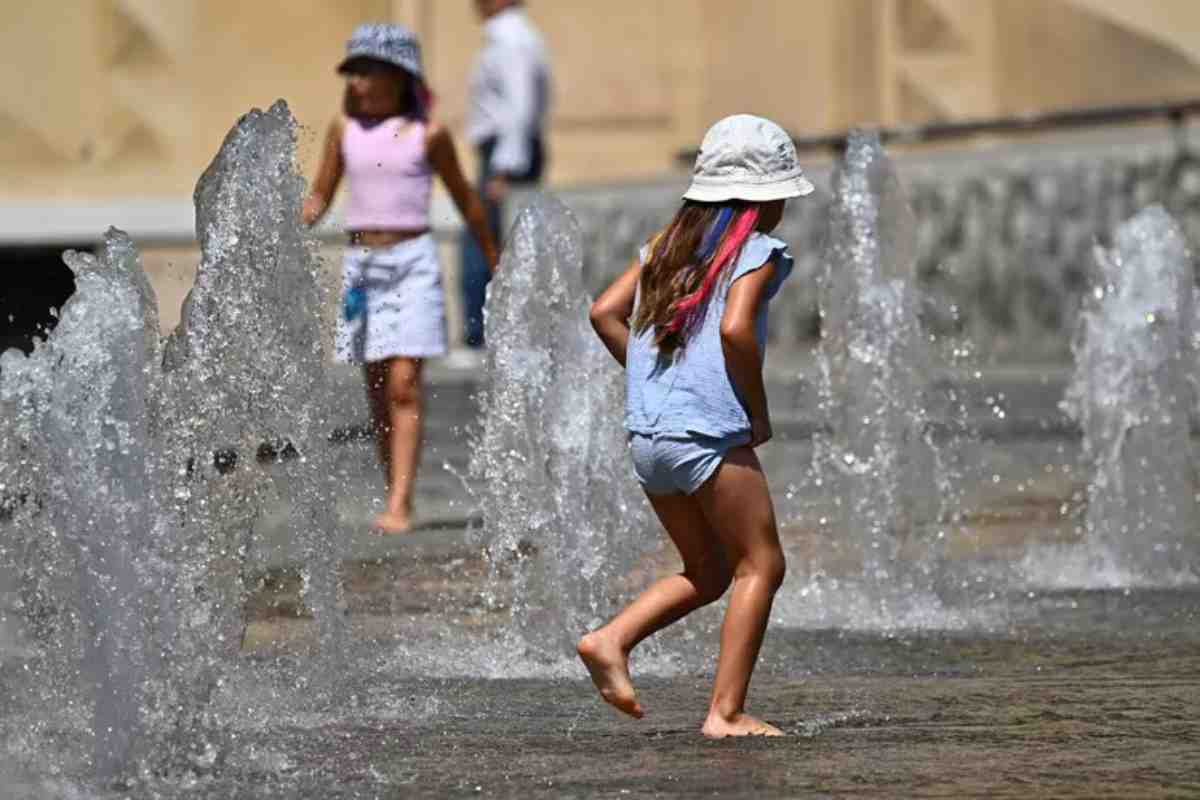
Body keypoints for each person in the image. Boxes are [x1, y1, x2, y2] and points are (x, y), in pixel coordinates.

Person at [578, 115, 815, 737]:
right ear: (765, 198)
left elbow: (604, 313)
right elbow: (737, 329)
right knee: (761, 565)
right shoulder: (757, 253)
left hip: (650, 439)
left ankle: (611, 640)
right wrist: (756, 409)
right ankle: (726, 713)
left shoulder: (664, 247)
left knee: (708, 571)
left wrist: (654, 379)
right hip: (707, 435)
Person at [303, 23, 499, 534]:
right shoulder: (342, 131)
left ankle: (400, 502)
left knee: (405, 384)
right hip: (362, 269)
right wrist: (287, 220)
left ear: (398, 76)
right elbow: (320, 196)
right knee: (375, 389)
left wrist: (494, 257)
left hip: (413, 262)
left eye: (367, 71)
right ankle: (394, 484)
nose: (356, 83)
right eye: (352, 72)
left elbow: (466, 199)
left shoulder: (427, 135)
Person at [461, 0, 551, 349]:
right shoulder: (510, 37)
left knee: (482, 238)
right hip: (505, 150)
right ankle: (492, 330)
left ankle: (480, 333)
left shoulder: (512, 39)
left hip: (505, 152)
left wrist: (504, 168)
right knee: (496, 239)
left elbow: (520, 105)